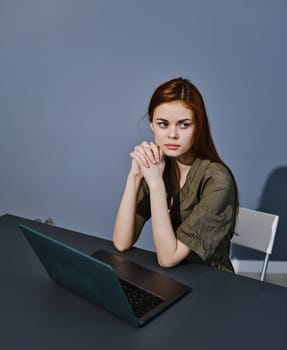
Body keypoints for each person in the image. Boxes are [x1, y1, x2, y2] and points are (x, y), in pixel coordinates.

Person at [113, 77, 239, 272]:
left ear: (199, 126)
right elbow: (122, 242)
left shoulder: (217, 180)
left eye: (184, 124)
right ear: (152, 124)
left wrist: (155, 183)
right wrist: (135, 176)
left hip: (211, 283)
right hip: (172, 279)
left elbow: (168, 258)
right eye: (163, 124)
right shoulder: (161, 165)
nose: (172, 134)